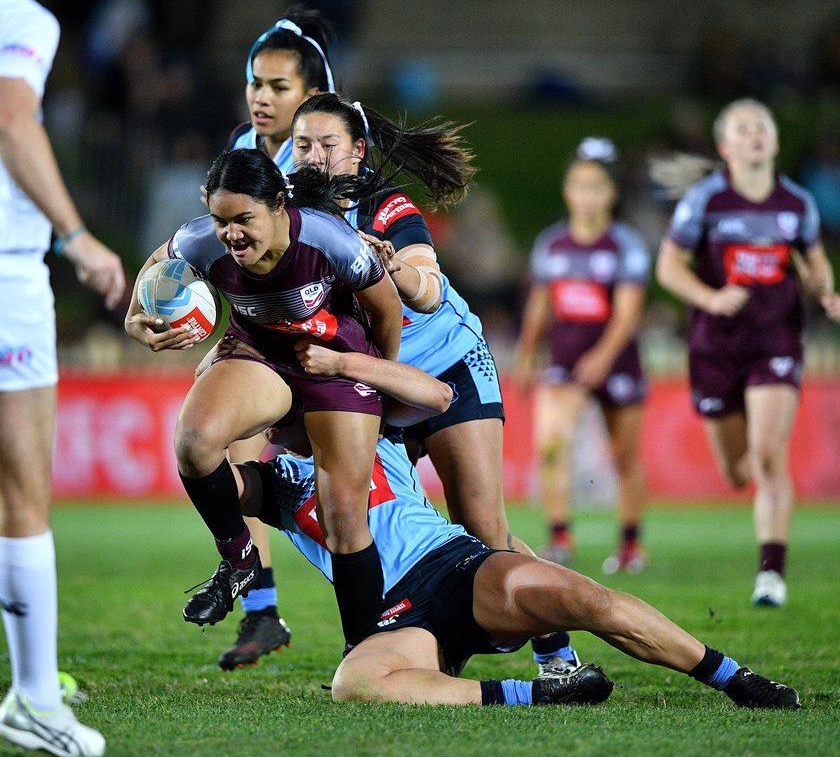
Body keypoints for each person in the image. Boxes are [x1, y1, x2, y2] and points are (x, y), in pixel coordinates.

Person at [225, 360, 799, 711]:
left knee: (587, 600)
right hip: (391, 617)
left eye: (285, 408)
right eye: (270, 415)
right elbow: (207, 470)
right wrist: (228, 394)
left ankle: (735, 679)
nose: (275, 423)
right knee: (356, 683)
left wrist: (341, 363)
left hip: (458, 572)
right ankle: (538, 694)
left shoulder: (376, 428)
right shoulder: (275, 482)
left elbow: (437, 395)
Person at [290, 92, 582, 674]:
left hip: (444, 364)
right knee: (368, 521)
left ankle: (557, 651)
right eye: (303, 146)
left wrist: (390, 267)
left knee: (482, 529)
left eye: (329, 145)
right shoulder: (286, 209)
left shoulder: (387, 208)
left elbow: (425, 285)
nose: (314, 158)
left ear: (357, 152)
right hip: (373, 381)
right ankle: (392, 644)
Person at [124, 148, 403, 651]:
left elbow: (386, 307)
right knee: (195, 441)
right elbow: (153, 268)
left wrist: (374, 379)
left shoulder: (325, 237)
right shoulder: (200, 240)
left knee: (343, 517)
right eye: (220, 220)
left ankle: (366, 654)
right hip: (259, 352)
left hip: (335, 358)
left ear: (279, 205)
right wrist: (133, 318)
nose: (230, 234)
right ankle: (239, 560)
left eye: (243, 219)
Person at [0, 0, 125, 757]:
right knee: (22, 491)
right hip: (5, 273)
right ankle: (35, 698)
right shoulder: (20, 18)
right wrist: (74, 235)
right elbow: (13, 118)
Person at [654, 98, 840, 608]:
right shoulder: (706, 202)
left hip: (775, 340)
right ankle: (764, 501)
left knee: (767, 453)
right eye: (743, 127)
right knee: (738, 472)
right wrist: (710, 298)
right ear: (725, 146)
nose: (755, 133)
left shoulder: (797, 202)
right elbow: (668, 268)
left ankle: (771, 575)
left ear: (775, 142)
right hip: (716, 347)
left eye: (763, 126)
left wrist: (825, 290)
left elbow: (814, 261)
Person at [220, 6, 339, 670]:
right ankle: (262, 611)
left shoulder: (331, 150)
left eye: (278, 87)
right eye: (255, 83)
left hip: (341, 342)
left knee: (450, 505)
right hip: (271, 335)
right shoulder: (242, 149)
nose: (262, 99)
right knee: (221, 452)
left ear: (312, 95)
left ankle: (544, 631)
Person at [513, 137, 650, 575]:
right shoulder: (551, 245)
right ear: (567, 190)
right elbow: (539, 305)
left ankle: (630, 545)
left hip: (617, 363)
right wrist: (526, 353)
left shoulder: (626, 246)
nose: (587, 195)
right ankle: (560, 537)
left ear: (611, 193)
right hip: (565, 361)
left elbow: (628, 315)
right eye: (579, 185)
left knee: (623, 456)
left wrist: (604, 358)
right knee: (551, 444)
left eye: (596, 186)